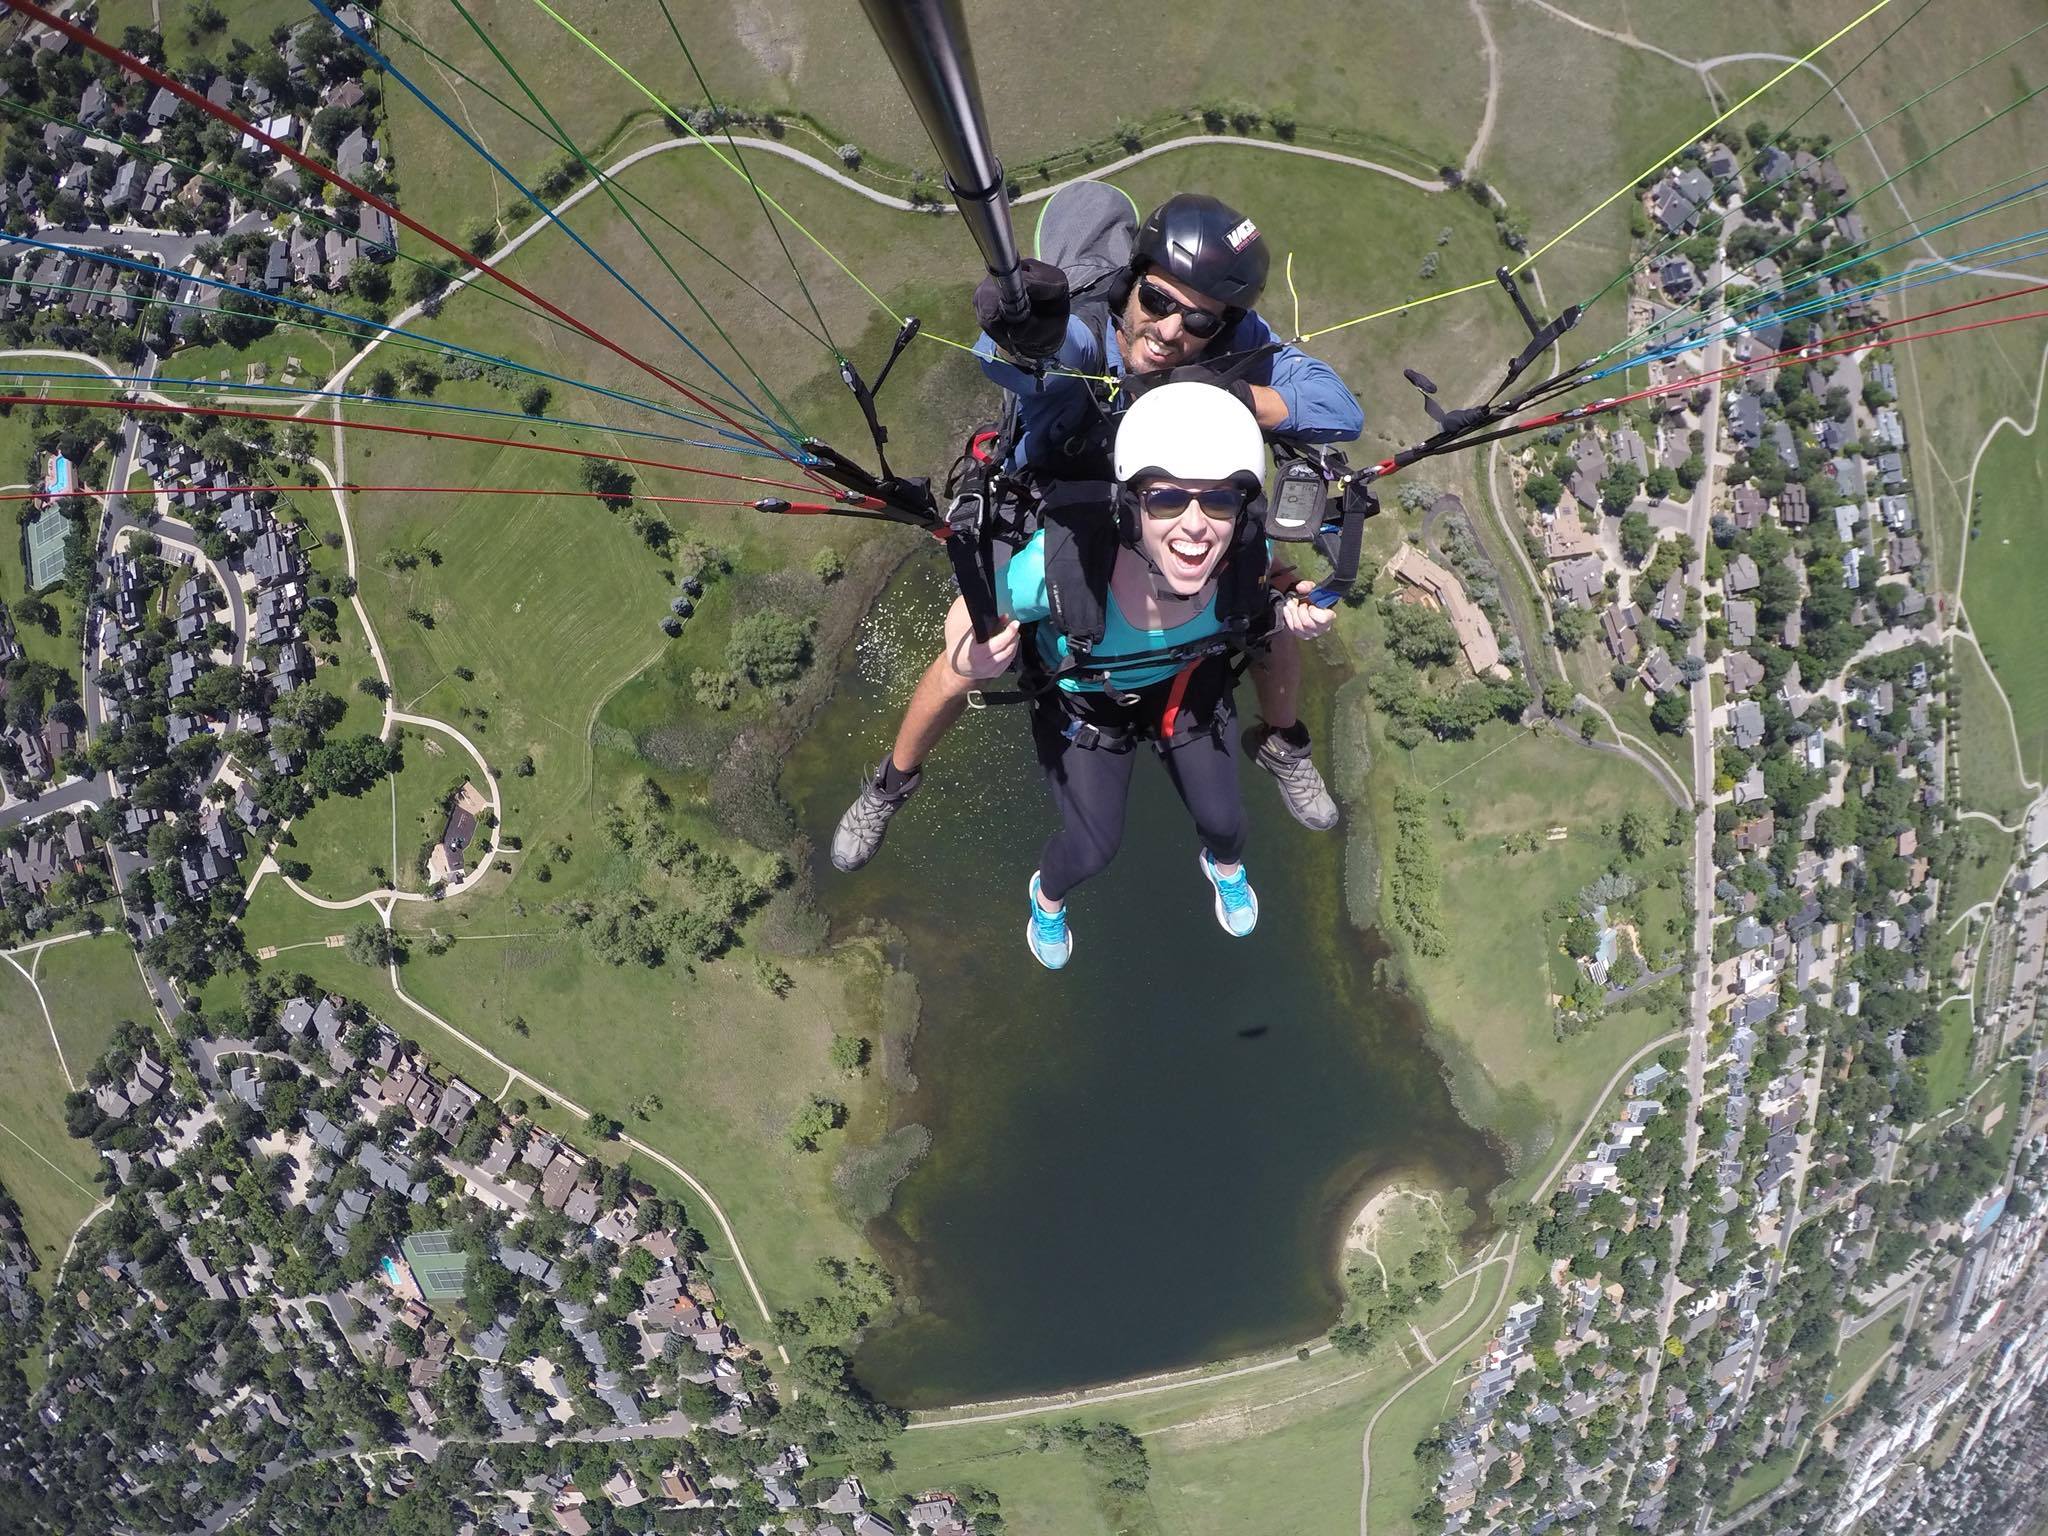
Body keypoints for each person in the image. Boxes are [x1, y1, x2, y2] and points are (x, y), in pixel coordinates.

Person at [831, 187, 1363, 872]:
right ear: (1131, 282)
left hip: (1178, 507)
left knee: (1262, 611)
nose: (1171, 331)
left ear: (1224, 326)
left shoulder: (1231, 346)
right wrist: (1026, 332)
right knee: (974, 655)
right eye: (1158, 302)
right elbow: (1037, 358)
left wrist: (1220, 390)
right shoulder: (1088, 328)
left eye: (1198, 320)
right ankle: (889, 785)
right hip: (1062, 505)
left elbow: (1337, 410)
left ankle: (1283, 741)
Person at [938, 380, 1335, 969]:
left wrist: (1292, 599)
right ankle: (1046, 899)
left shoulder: (1239, 549)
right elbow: (974, 612)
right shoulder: (1065, 562)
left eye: (1221, 501)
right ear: (1131, 505)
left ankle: (1221, 866)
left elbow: (1269, 576)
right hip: (1086, 704)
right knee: (1091, 849)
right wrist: (967, 657)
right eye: (1168, 500)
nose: (1197, 527)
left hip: (1182, 686)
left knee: (1227, 826)